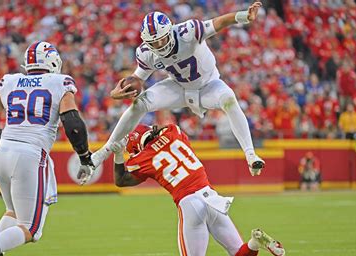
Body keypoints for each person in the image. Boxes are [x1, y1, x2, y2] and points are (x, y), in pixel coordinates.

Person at [84, 2, 265, 182]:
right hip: (178, 86)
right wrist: (117, 91)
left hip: (208, 84)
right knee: (140, 103)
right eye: (154, 42)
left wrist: (243, 16)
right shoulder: (146, 52)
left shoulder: (188, 31)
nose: (159, 44)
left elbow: (218, 22)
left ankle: (250, 155)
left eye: (161, 39)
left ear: (170, 31)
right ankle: (104, 152)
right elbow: (138, 79)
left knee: (228, 99)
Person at [0, 41, 95, 256]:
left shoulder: (11, 81)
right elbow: (73, 124)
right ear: (52, 61)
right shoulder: (59, 82)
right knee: (31, 229)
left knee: (12, 212)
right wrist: (84, 156)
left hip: (2, 153)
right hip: (30, 154)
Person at [111, 124, 285, 256]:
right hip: (212, 197)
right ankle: (256, 242)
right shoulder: (174, 131)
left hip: (189, 202)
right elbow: (166, 134)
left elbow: (121, 181)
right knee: (241, 255)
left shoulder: (142, 158)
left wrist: (118, 154)